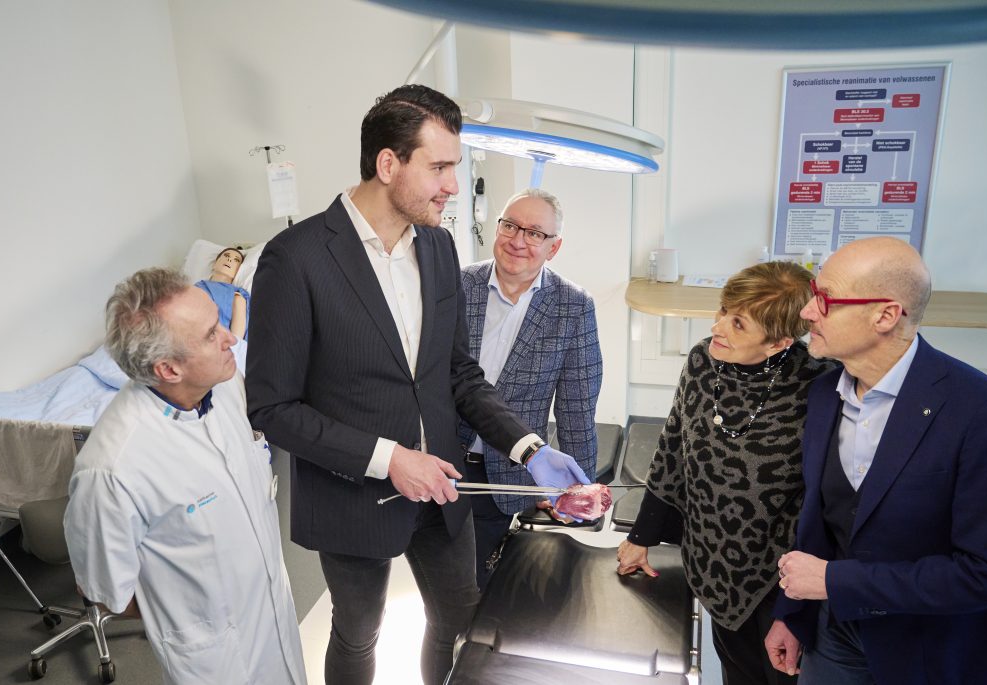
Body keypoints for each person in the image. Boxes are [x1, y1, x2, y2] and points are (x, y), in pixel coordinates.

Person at [245, 84, 591, 685]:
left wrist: (530, 450)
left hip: (441, 489)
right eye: (439, 167)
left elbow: (457, 373)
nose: (453, 186)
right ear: (388, 164)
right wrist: (389, 459)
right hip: (352, 491)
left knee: (462, 619)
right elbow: (272, 408)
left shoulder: (436, 246)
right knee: (358, 632)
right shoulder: (295, 259)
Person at [764, 237, 987, 685]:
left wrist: (838, 583)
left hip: (931, 650)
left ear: (884, 314)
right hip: (833, 635)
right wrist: (794, 614)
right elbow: (821, 521)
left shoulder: (981, 409)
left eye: (824, 300)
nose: (807, 313)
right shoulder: (825, 395)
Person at [63, 268, 307, 685]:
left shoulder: (226, 385)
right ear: (169, 369)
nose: (230, 337)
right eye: (212, 334)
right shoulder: (112, 470)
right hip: (213, 659)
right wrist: (188, 609)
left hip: (275, 618)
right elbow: (106, 592)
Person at [616, 261, 837, 685]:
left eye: (738, 324)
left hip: (783, 572)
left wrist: (797, 606)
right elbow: (672, 450)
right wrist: (641, 535)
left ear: (779, 342)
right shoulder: (704, 360)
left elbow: (824, 497)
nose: (718, 327)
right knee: (738, 672)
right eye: (722, 311)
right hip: (712, 558)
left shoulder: (820, 385)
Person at [458, 188, 602, 591]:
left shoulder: (573, 306)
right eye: (510, 225)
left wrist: (576, 488)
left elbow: (576, 409)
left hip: (505, 471)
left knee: (482, 589)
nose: (518, 240)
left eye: (535, 233)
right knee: (442, 590)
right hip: (441, 462)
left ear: (553, 248)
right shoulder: (457, 285)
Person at [195, 246, 250, 339]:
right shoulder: (198, 286)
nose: (229, 259)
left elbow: (237, 340)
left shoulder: (238, 294)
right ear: (215, 263)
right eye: (226, 255)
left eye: (236, 260)